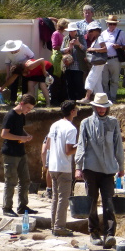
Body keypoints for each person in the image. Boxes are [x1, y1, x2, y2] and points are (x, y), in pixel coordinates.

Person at [75, 93, 124, 249]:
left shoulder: (113, 122)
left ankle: (110, 234)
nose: (102, 110)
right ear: (94, 107)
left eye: (104, 108)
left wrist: (121, 166)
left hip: (108, 169)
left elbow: (118, 145)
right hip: (91, 168)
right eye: (99, 107)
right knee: (92, 202)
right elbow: (81, 144)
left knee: (109, 202)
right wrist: (78, 166)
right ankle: (94, 233)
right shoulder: (86, 123)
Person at [44, 100, 78, 236]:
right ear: (72, 111)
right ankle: (59, 226)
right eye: (76, 109)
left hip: (53, 166)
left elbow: (48, 145)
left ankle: (54, 225)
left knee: (55, 197)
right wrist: (81, 145)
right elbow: (68, 151)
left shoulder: (55, 125)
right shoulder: (71, 128)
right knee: (64, 198)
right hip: (64, 166)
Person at [0, 93, 36, 217]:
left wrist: (26, 135)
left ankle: (22, 206)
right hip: (10, 153)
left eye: (30, 109)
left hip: (21, 152)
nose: (28, 111)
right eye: (27, 108)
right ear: (21, 103)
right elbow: (4, 134)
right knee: (11, 181)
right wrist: (20, 137)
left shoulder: (21, 116)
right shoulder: (10, 115)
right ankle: (7, 208)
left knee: (25, 180)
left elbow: (20, 129)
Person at [0, 40, 52, 106]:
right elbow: (11, 80)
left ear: (23, 70)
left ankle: (48, 104)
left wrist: (44, 71)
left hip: (46, 68)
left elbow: (41, 60)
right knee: (30, 84)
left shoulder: (29, 65)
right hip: (35, 73)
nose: (24, 75)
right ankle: (29, 102)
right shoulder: (19, 70)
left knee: (42, 85)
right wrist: (2, 88)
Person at [78, 21, 107, 105]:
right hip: (98, 62)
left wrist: (92, 49)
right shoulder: (97, 39)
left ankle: (87, 97)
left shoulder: (100, 38)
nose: (89, 33)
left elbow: (104, 49)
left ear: (96, 30)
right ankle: (101, 100)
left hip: (99, 62)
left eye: (91, 31)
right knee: (97, 81)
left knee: (91, 78)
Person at [100, 15, 125, 102]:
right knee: (104, 80)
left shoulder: (120, 33)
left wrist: (119, 46)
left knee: (114, 80)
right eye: (110, 24)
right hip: (105, 59)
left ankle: (113, 97)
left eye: (114, 24)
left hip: (115, 59)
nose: (112, 26)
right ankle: (107, 98)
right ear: (107, 23)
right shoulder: (103, 33)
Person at [61, 22, 86, 101]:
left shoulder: (81, 37)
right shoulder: (66, 38)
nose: (72, 32)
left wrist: (79, 44)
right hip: (68, 65)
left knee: (78, 83)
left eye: (73, 31)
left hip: (78, 65)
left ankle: (80, 99)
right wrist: (69, 47)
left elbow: (85, 48)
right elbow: (61, 50)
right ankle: (71, 100)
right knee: (69, 84)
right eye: (70, 31)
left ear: (76, 31)